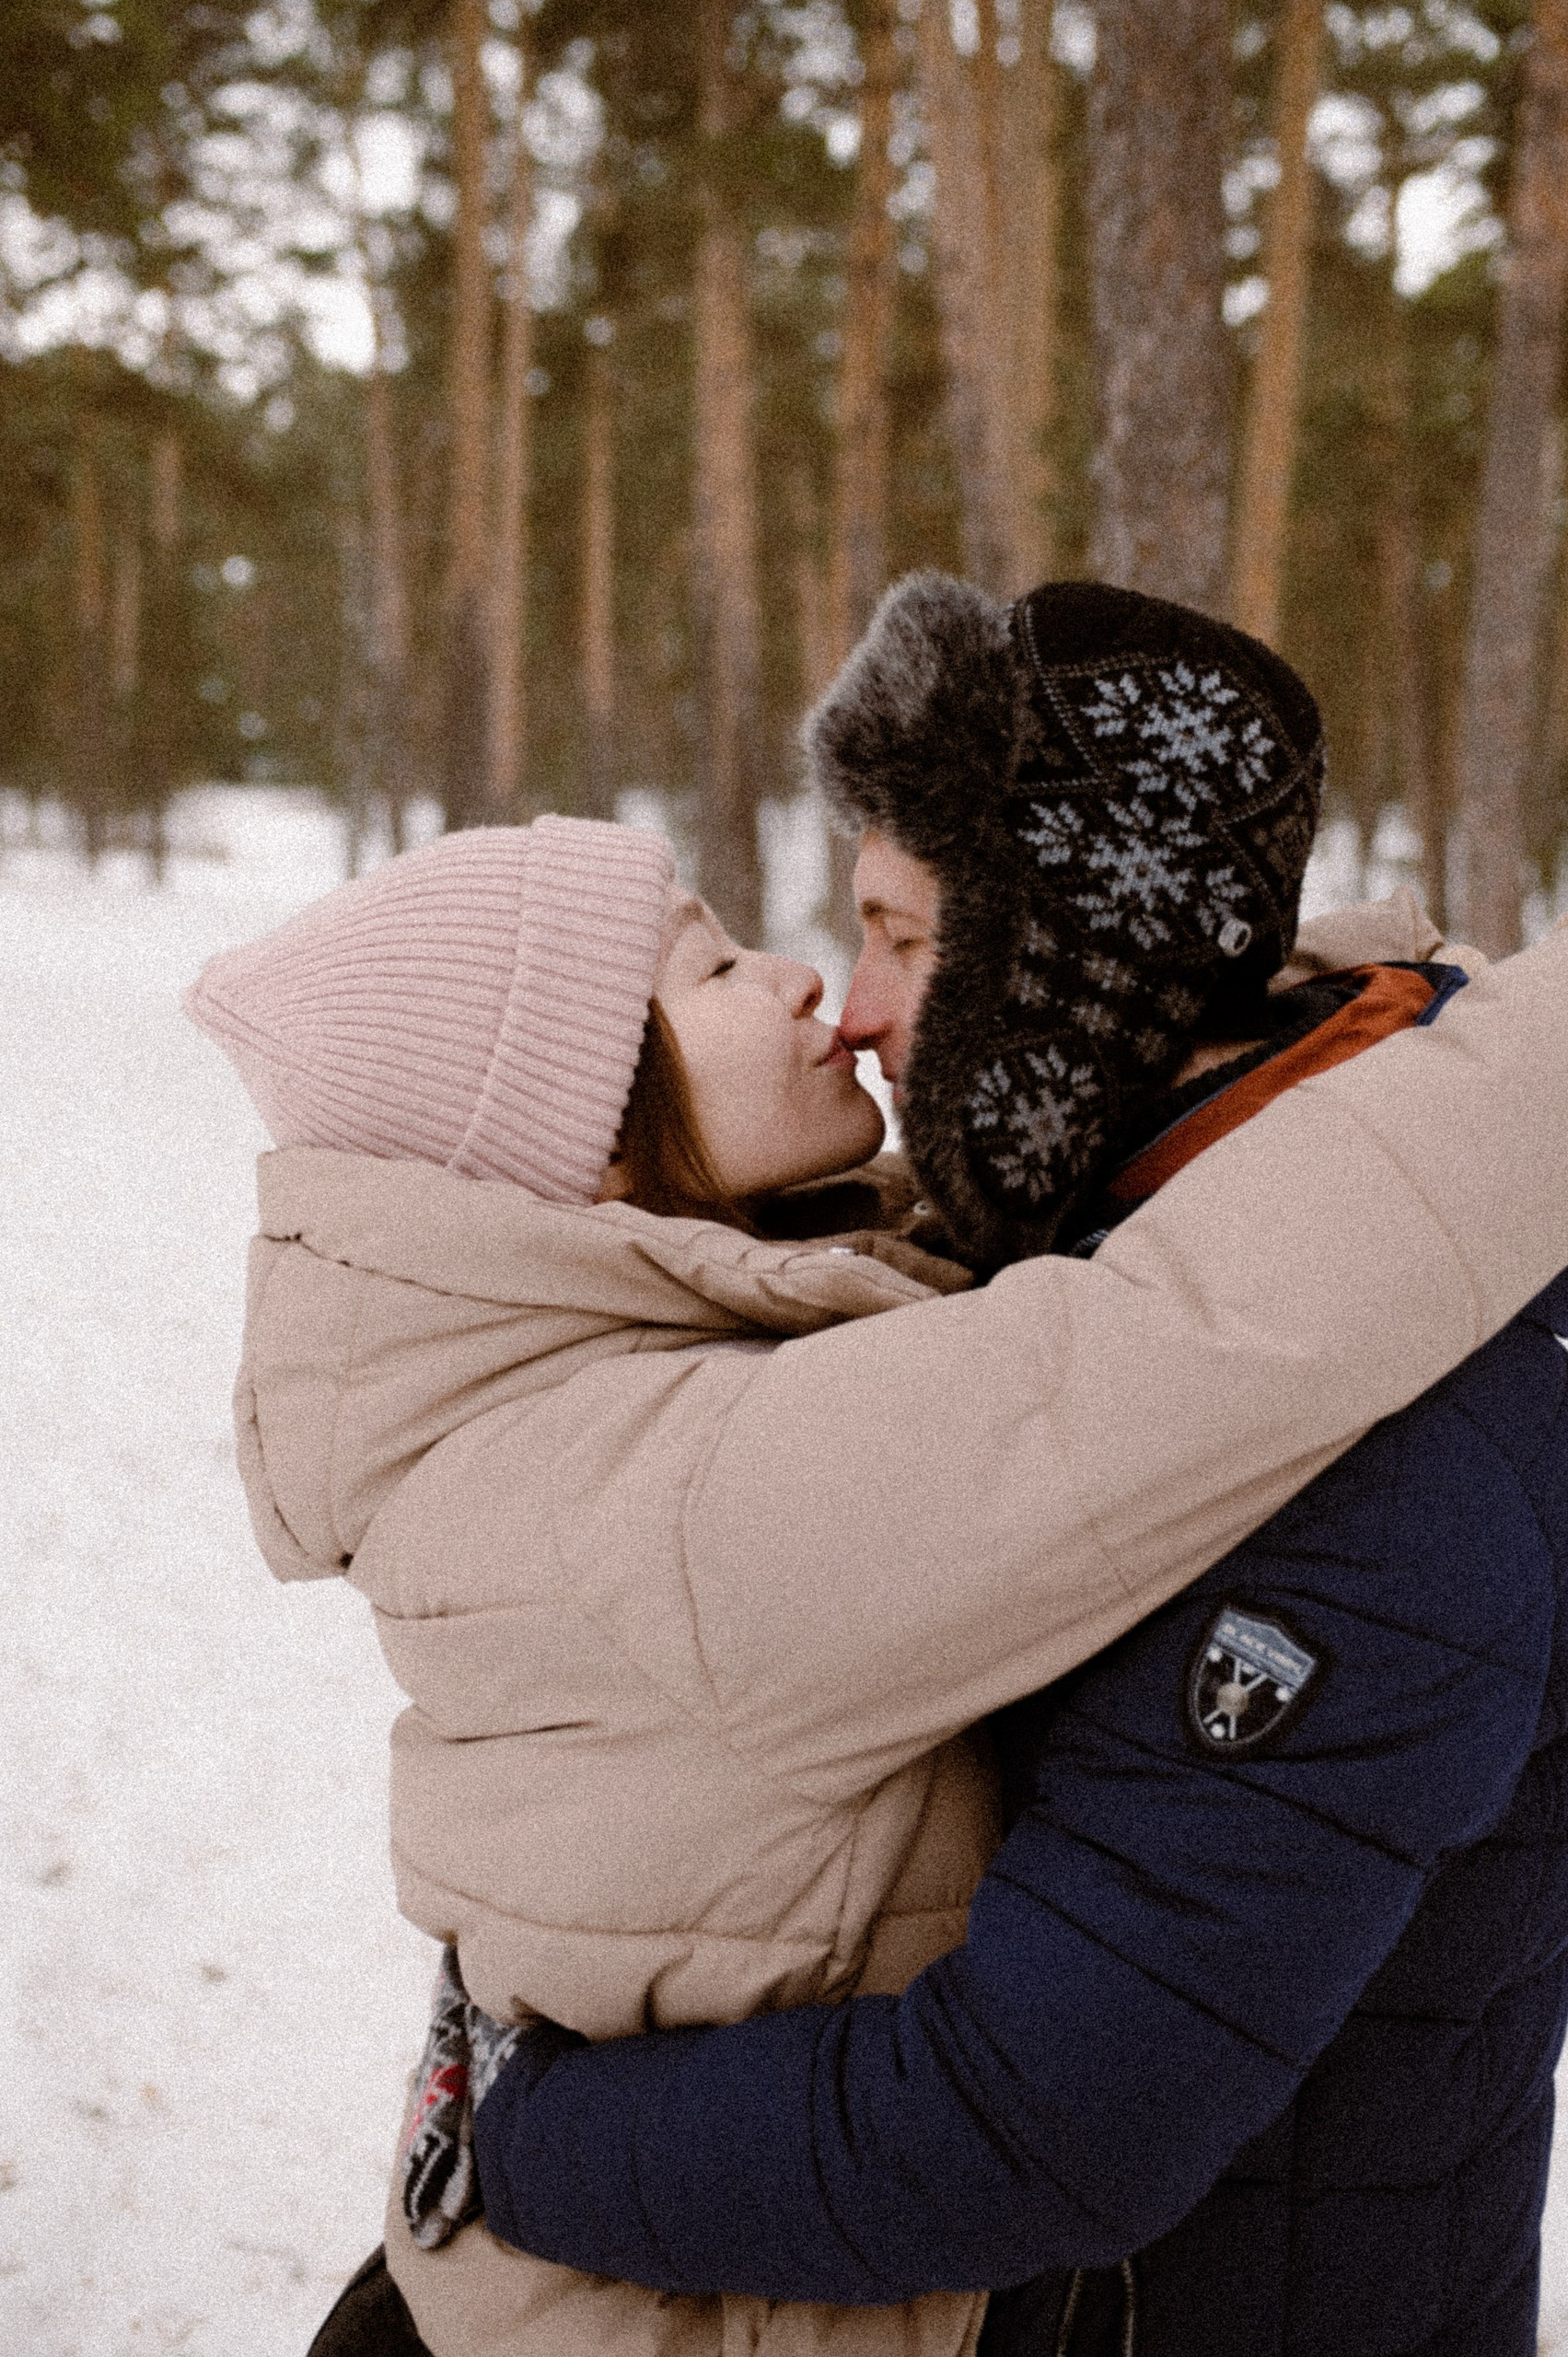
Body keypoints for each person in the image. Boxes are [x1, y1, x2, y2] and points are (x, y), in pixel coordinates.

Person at [183, 588, 1568, 2357]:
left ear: (1073, 974)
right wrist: (511, 2146)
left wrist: (514, 2139)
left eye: (903, 937)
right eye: (719, 968)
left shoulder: (1369, 1456)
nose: (839, 1004)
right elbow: (1182, 1331)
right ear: (588, 1142)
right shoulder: (693, 1473)